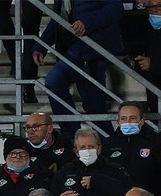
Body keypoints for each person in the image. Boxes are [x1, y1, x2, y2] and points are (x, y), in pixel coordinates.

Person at [32, 2, 124, 137]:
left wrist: (87, 22)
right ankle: (105, 142)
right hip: (76, 47)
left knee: (55, 81)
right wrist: (41, 45)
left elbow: (116, 8)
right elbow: (58, 18)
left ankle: (72, 137)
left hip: (94, 45)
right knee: (93, 100)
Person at [105, 103, 161, 196]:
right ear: (118, 122)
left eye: (132, 118)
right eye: (123, 118)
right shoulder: (108, 145)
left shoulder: (156, 143)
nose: (128, 122)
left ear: (142, 121)